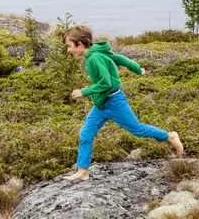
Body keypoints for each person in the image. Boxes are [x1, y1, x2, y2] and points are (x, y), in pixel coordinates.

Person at [62, 25, 183, 181]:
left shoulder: (94, 58)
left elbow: (106, 83)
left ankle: (170, 136)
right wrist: (138, 69)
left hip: (114, 102)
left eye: (69, 46)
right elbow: (119, 58)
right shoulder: (98, 52)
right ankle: (83, 170)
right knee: (86, 134)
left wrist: (83, 92)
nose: (68, 50)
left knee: (138, 130)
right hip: (101, 104)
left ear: (79, 44)